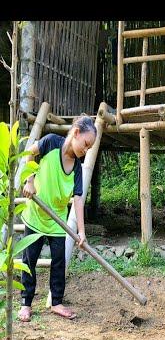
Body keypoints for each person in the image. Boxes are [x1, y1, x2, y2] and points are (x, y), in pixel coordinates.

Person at [18, 115, 97, 322]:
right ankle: (26, 304)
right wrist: (30, 181)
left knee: (59, 263)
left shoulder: (77, 168)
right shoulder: (51, 142)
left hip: (57, 222)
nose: (86, 150)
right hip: (36, 215)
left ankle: (57, 303)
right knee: (29, 261)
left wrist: (81, 231)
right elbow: (30, 154)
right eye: (86, 144)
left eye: (89, 148)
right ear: (76, 133)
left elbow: (78, 199)